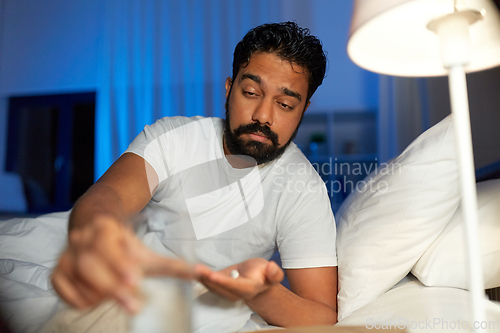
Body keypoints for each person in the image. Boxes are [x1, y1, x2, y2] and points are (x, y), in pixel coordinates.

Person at [51, 21, 338, 329]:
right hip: (133, 276)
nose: (263, 116)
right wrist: (95, 234)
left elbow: (322, 315)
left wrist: (261, 294)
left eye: (284, 104)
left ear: (303, 110)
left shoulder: (303, 188)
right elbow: (109, 196)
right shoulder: (174, 136)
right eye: (251, 92)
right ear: (229, 89)